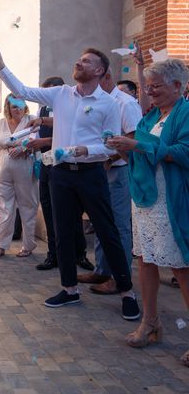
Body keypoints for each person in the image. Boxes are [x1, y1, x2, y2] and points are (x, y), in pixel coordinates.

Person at [0, 42, 140, 320]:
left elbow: (113, 145)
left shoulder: (109, 104)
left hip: (92, 174)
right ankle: (69, 289)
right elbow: (23, 91)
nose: (79, 63)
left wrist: (86, 150)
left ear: (100, 70)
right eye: (79, 59)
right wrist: (1, 65)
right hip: (61, 174)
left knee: (107, 231)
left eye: (87, 61)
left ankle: (127, 292)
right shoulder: (60, 94)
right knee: (63, 233)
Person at [106, 59, 189, 367]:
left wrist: (139, 147)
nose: (150, 93)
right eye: (148, 87)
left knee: (181, 266)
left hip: (172, 198)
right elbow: (140, 144)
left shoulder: (186, 113)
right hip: (146, 200)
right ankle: (150, 321)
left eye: (156, 87)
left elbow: (185, 152)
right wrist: (122, 147)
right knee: (146, 259)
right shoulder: (153, 115)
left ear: (178, 87)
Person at [78, 67, 142, 294]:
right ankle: (102, 269)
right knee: (101, 221)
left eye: (93, 79)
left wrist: (109, 157)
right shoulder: (99, 101)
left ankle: (119, 276)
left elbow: (133, 139)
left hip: (118, 170)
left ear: (106, 77)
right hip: (100, 169)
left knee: (119, 226)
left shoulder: (125, 103)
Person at [26, 77, 89, 271]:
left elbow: (72, 135)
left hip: (66, 163)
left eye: (50, 93)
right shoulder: (42, 110)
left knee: (74, 210)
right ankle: (53, 254)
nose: (48, 98)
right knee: (48, 208)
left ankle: (80, 254)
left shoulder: (73, 106)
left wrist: (45, 142)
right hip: (47, 162)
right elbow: (36, 133)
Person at [0, 94, 39, 259]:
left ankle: (28, 245)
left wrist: (24, 148)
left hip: (25, 167)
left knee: (28, 206)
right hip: (2, 169)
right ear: (8, 108)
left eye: (21, 106)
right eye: (14, 106)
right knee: (2, 208)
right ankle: (1, 246)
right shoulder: (0, 124)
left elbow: (35, 139)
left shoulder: (32, 120)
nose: (18, 109)